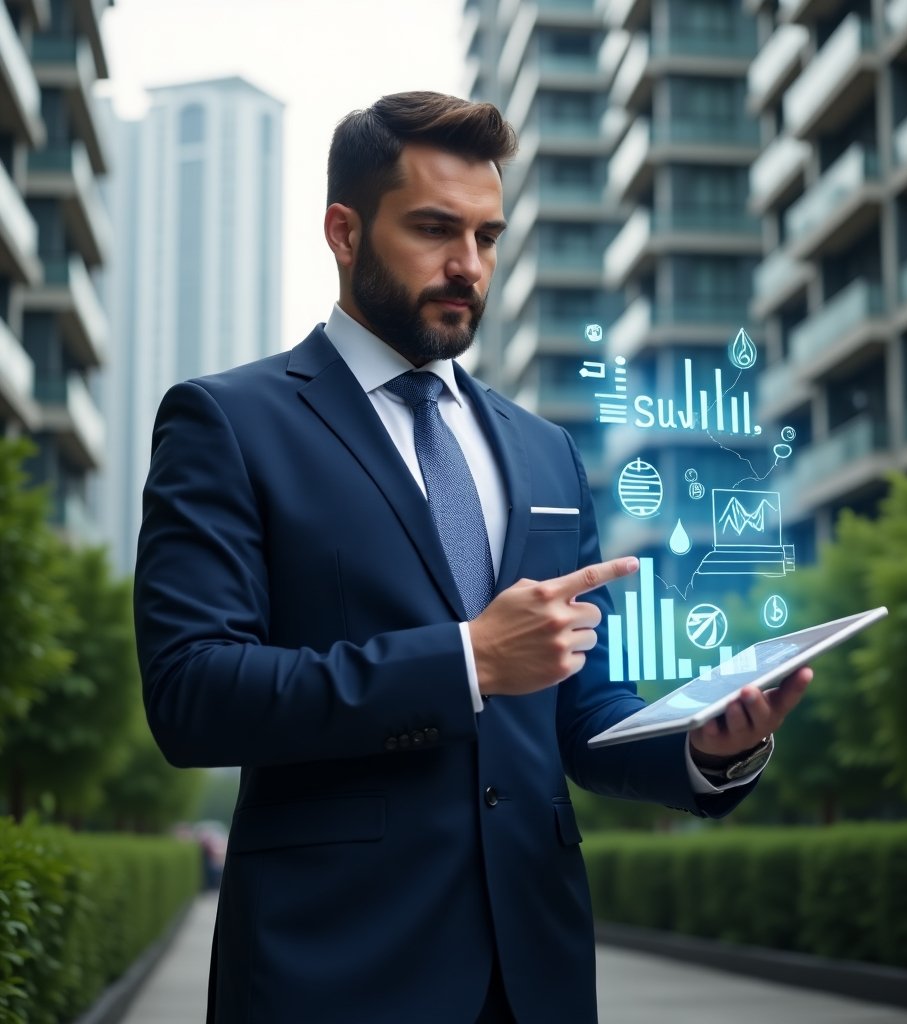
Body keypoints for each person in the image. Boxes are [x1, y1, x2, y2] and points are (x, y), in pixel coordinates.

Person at [134, 91, 811, 1024]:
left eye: (488, 237)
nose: (468, 266)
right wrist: (463, 661)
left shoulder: (544, 452)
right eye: (434, 229)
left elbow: (580, 710)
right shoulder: (229, 424)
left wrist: (703, 745)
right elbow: (191, 693)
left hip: (535, 971)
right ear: (343, 230)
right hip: (329, 972)